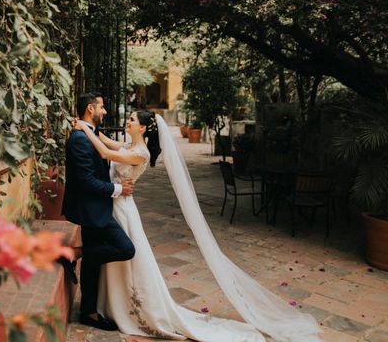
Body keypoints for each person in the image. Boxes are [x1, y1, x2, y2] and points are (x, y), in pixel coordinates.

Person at [73, 110, 322, 342]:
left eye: (132, 120)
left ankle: (125, 302)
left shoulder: (140, 153)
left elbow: (106, 154)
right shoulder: (129, 145)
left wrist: (84, 132)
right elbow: (106, 142)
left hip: (124, 210)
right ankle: (112, 303)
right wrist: (88, 128)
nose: (127, 122)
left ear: (144, 127)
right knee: (119, 257)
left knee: (128, 255)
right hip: (116, 207)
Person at [61, 92, 136, 331]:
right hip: (91, 208)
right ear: (91, 109)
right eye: (102, 107)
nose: (105, 112)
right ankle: (75, 252)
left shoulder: (89, 134)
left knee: (94, 263)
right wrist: (118, 189)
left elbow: (108, 147)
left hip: (98, 206)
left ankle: (89, 312)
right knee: (125, 248)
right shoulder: (80, 140)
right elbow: (85, 181)